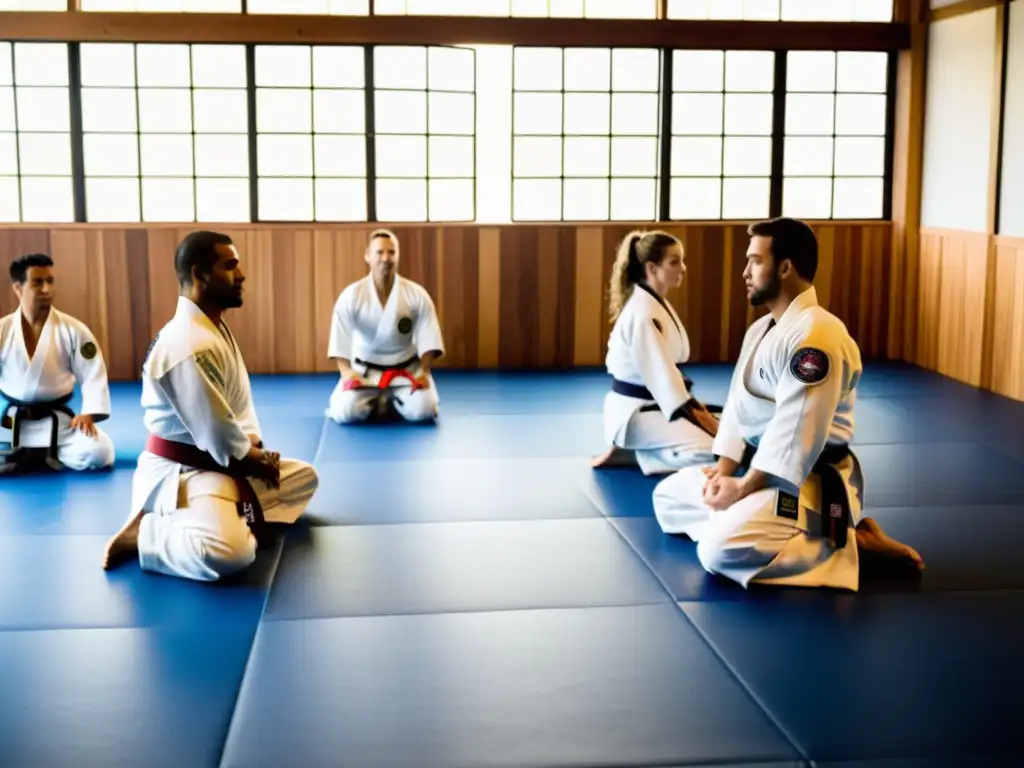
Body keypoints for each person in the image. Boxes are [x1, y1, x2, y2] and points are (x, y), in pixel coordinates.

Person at [651, 217, 923, 591]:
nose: (745, 271)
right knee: (668, 498)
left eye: (755, 261)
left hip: (804, 480)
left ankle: (850, 543)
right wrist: (724, 471)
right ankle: (753, 521)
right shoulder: (762, 329)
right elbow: (737, 409)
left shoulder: (817, 335)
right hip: (758, 468)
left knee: (717, 552)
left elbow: (797, 431)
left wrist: (743, 487)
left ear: (785, 267)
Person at [101, 231, 319, 582]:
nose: (242, 275)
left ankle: (217, 504)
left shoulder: (209, 329)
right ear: (200, 273)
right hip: (185, 469)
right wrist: (254, 459)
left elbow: (232, 418)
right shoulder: (189, 344)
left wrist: (254, 452)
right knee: (230, 553)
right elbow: (220, 439)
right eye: (230, 266)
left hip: (222, 460)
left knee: (304, 479)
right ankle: (147, 534)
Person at [591, 230, 719, 476]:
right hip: (634, 415)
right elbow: (666, 385)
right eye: (674, 262)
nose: (683, 268)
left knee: (736, 429)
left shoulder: (654, 303)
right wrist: (710, 425)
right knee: (720, 449)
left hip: (654, 404)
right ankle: (643, 455)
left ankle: (636, 449)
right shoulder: (643, 313)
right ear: (652, 268)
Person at [0, 253, 114, 473]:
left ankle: (26, 457)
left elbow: (93, 374)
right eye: (37, 282)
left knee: (100, 452)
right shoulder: (3, 331)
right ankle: (41, 454)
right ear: (18, 288)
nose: (46, 289)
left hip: (59, 425)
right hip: (11, 424)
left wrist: (89, 413)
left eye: (50, 281)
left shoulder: (73, 330)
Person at [326, 229, 445, 424]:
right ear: (368, 256)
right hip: (364, 373)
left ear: (398, 256)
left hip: (406, 371)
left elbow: (428, 335)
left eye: (391, 252)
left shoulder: (416, 294)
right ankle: (381, 400)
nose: (386, 258)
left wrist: (424, 371)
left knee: (425, 409)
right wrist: (347, 373)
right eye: (379, 252)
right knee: (346, 412)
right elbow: (340, 339)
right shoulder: (352, 295)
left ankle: (386, 401)